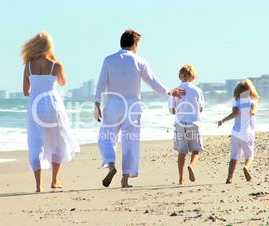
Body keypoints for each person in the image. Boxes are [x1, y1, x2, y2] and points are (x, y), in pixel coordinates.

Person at [94, 29, 185, 188]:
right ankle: (125, 179)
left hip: (113, 106)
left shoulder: (109, 60)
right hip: (133, 107)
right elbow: (153, 82)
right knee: (131, 142)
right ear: (134, 44)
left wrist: (96, 104)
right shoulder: (139, 61)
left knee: (106, 137)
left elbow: (101, 84)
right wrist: (170, 91)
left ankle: (110, 164)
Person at [22, 31, 80, 192]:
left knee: (35, 143)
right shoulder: (56, 65)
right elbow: (62, 82)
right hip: (53, 105)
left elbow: (26, 91)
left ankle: (38, 185)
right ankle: (54, 180)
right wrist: (54, 60)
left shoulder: (28, 66)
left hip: (35, 107)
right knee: (58, 141)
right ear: (49, 46)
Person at [217, 79, 259, 184]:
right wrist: (252, 111)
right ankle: (246, 168)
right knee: (249, 156)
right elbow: (253, 111)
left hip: (236, 133)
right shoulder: (252, 100)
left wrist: (223, 120)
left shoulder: (236, 101)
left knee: (234, 157)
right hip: (247, 133)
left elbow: (235, 113)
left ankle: (229, 178)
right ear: (250, 90)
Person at [169, 64, 204, 185]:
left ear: (180, 77)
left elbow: (172, 110)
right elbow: (200, 108)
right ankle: (192, 166)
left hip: (180, 123)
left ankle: (181, 179)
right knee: (196, 150)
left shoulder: (175, 90)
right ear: (193, 77)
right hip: (193, 122)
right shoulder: (197, 90)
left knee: (181, 152)